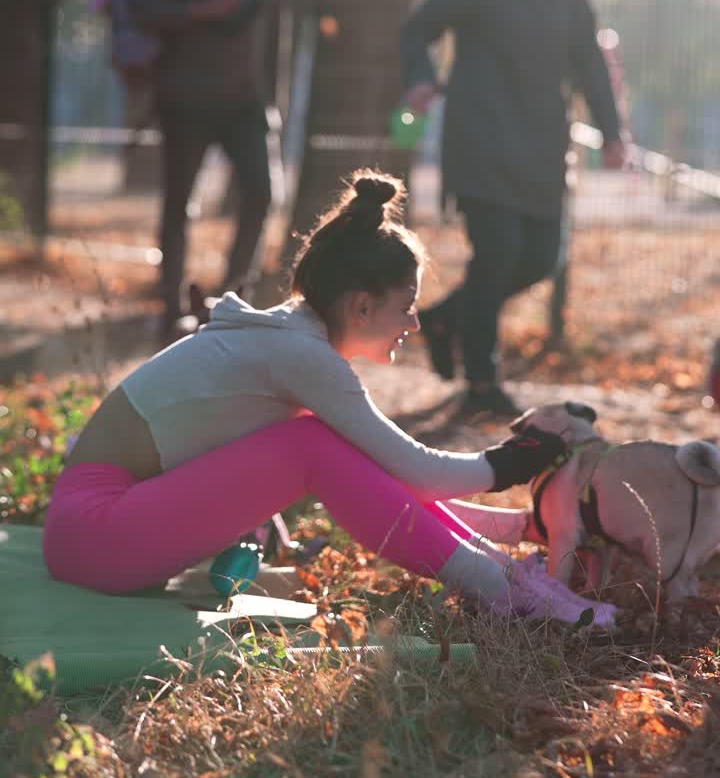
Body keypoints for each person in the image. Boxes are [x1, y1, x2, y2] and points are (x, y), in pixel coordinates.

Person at [42, 171, 614, 626]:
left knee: (325, 445)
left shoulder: (292, 340)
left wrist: (513, 527)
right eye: (406, 306)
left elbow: (387, 478)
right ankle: (504, 591)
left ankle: (504, 576)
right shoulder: (301, 354)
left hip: (93, 534)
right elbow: (421, 472)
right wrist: (515, 461)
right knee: (312, 445)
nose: (414, 323)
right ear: (361, 306)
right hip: (96, 535)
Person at [401, 0, 626, 419]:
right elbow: (419, 29)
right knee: (497, 252)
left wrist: (612, 130)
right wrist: (421, 80)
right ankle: (483, 381)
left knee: (540, 258)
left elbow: (587, 57)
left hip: (542, 140)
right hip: (482, 135)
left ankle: (446, 318)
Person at [132, 0, 285, 331]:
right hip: (185, 99)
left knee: (260, 193)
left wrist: (272, 98)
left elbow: (275, 34)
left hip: (245, 102)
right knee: (178, 202)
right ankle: (172, 306)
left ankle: (234, 302)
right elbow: (144, 8)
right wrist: (199, 11)